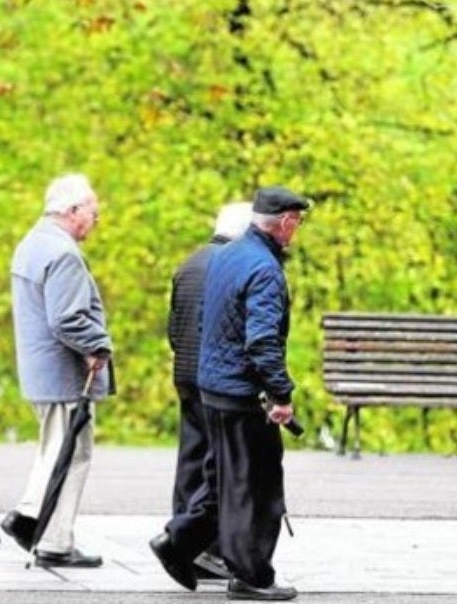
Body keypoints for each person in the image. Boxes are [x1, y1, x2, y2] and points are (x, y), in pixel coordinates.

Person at [149, 186, 308, 601]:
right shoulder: (265, 269)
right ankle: (251, 575)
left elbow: (207, 322)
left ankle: (178, 541)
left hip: (213, 388)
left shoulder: (226, 256)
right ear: (285, 222)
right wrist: (280, 394)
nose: (297, 230)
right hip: (242, 393)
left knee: (222, 478)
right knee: (256, 487)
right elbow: (262, 341)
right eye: (298, 221)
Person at [1, 174, 114, 568]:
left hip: (41, 372)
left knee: (54, 448)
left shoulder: (31, 243)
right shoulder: (63, 253)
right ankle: (50, 537)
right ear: (72, 210)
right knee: (71, 454)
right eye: (93, 213)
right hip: (63, 375)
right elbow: (67, 319)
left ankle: (32, 518)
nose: (96, 221)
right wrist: (98, 344)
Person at [166, 201, 253, 579]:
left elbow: (174, 327)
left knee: (191, 459)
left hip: (185, 373)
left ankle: (183, 543)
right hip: (217, 380)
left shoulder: (189, 264)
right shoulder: (235, 267)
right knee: (223, 465)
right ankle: (210, 548)